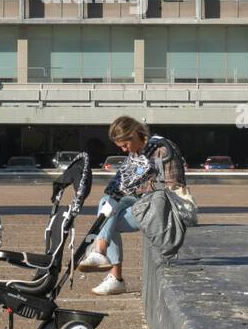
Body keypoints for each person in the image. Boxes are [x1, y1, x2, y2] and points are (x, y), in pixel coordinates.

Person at [78, 116, 190, 295]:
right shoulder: (137, 151)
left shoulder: (160, 149)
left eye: (124, 145)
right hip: (144, 201)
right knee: (106, 206)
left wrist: (139, 186)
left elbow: (174, 184)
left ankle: (113, 273)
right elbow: (126, 182)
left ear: (134, 135)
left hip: (164, 207)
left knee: (108, 218)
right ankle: (102, 252)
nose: (123, 150)